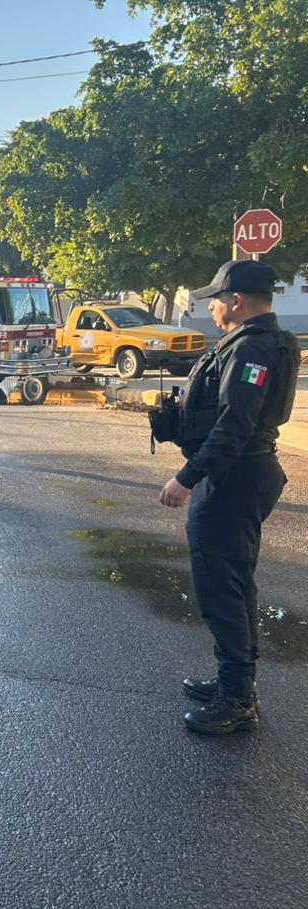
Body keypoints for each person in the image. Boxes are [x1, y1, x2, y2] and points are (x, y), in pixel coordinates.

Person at [158, 259, 298, 735]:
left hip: (234, 478)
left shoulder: (253, 348)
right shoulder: (257, 342)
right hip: (241, 474)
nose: (213, 305)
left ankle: (237, 698)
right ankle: (233, 680)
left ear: (236, 300)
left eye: (216, 298)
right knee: (233, 582)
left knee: (221, 586)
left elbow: (235, 426)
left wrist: (187, 478)